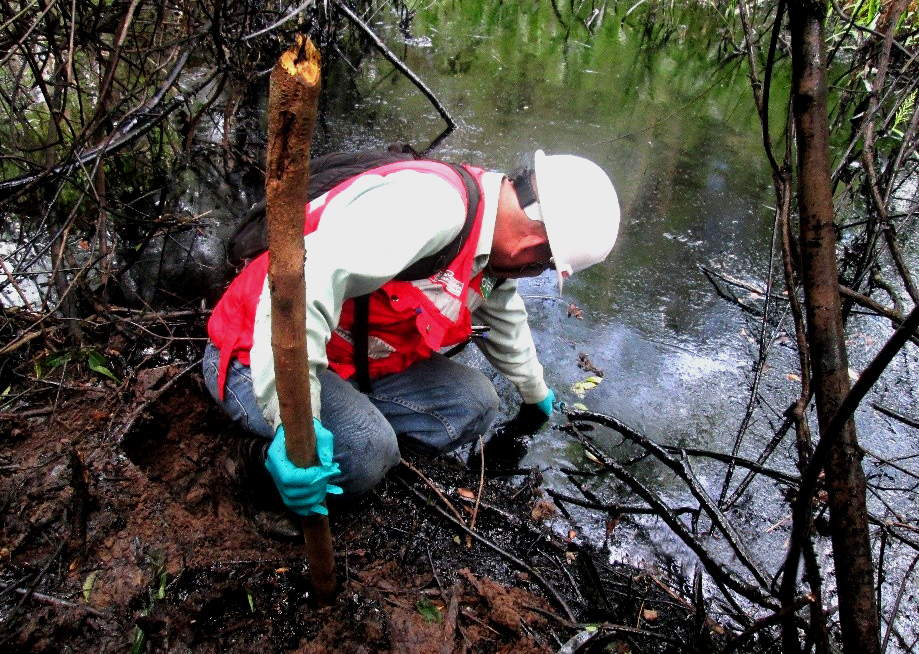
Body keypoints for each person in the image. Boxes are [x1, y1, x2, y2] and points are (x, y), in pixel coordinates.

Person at [203, 149, 620, 537]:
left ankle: (356, 461)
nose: (533, 275)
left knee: (475, 404)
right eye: (542, 267)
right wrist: (295, 418)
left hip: (349, 362)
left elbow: (502, 308)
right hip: (257, 350)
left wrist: (536, 392)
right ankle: (254, 463)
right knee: (366, 451)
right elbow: (296, 293)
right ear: (531, 248)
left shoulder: (489, 239)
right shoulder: (432, 211)